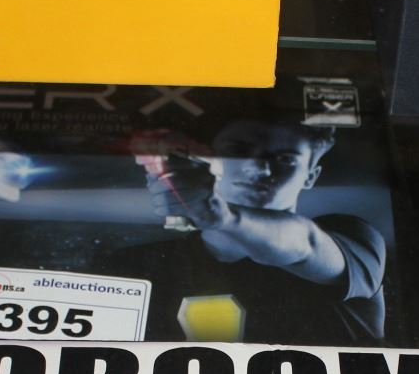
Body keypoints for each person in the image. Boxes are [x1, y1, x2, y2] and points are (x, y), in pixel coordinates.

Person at [108, 118, 387, 343]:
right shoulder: (134, 266)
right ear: (209, 160)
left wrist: (223, 217)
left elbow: (305, 244)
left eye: (285, 159)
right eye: (238, 152)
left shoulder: (354, 239)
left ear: (311, 177)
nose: (259, 169)